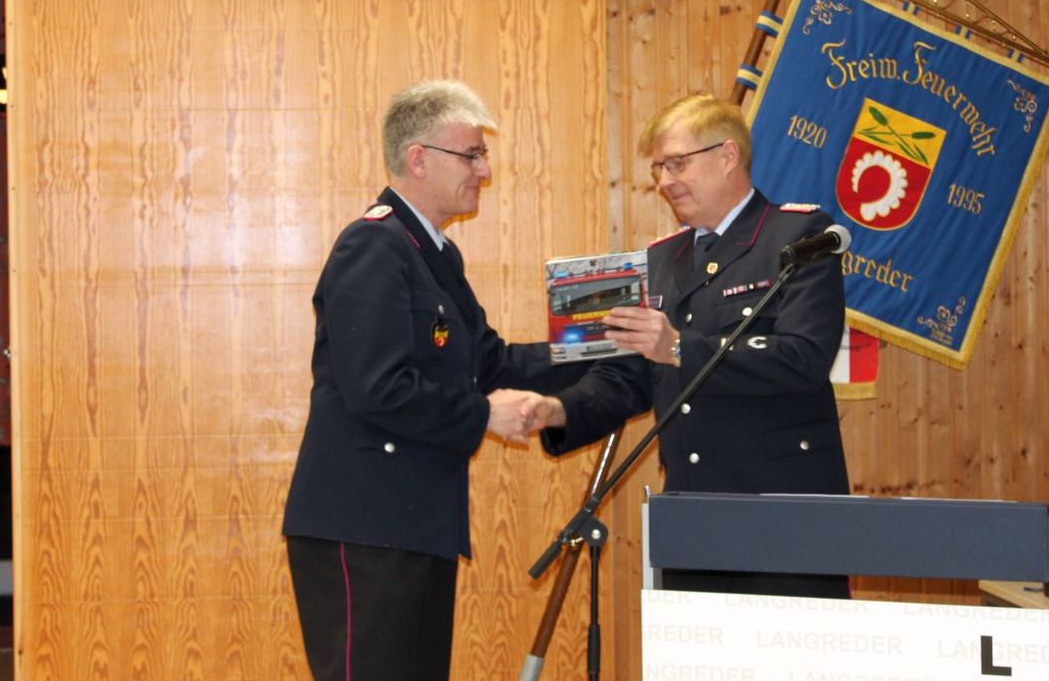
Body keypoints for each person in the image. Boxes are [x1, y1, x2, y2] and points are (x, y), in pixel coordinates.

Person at [282, 79, 572, 680]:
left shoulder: (433, 253)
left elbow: (491, 363)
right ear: (419, 159)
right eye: (472, 154)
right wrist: (484, 415)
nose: (484, 170)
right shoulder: (374, 244)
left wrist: (596, 345)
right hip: (365, 528)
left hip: (412, 524)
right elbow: (377, 387)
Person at [530, 93, 851, 598]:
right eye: (659, 168)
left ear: (728, 156)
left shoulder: (799, 237)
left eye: (677, 163)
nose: (665, 181)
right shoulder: (661, 260)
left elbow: (803, 358)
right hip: (693, 512)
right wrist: (556, 411)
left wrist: (680, 347)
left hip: (786, 514)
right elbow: (631, 378)